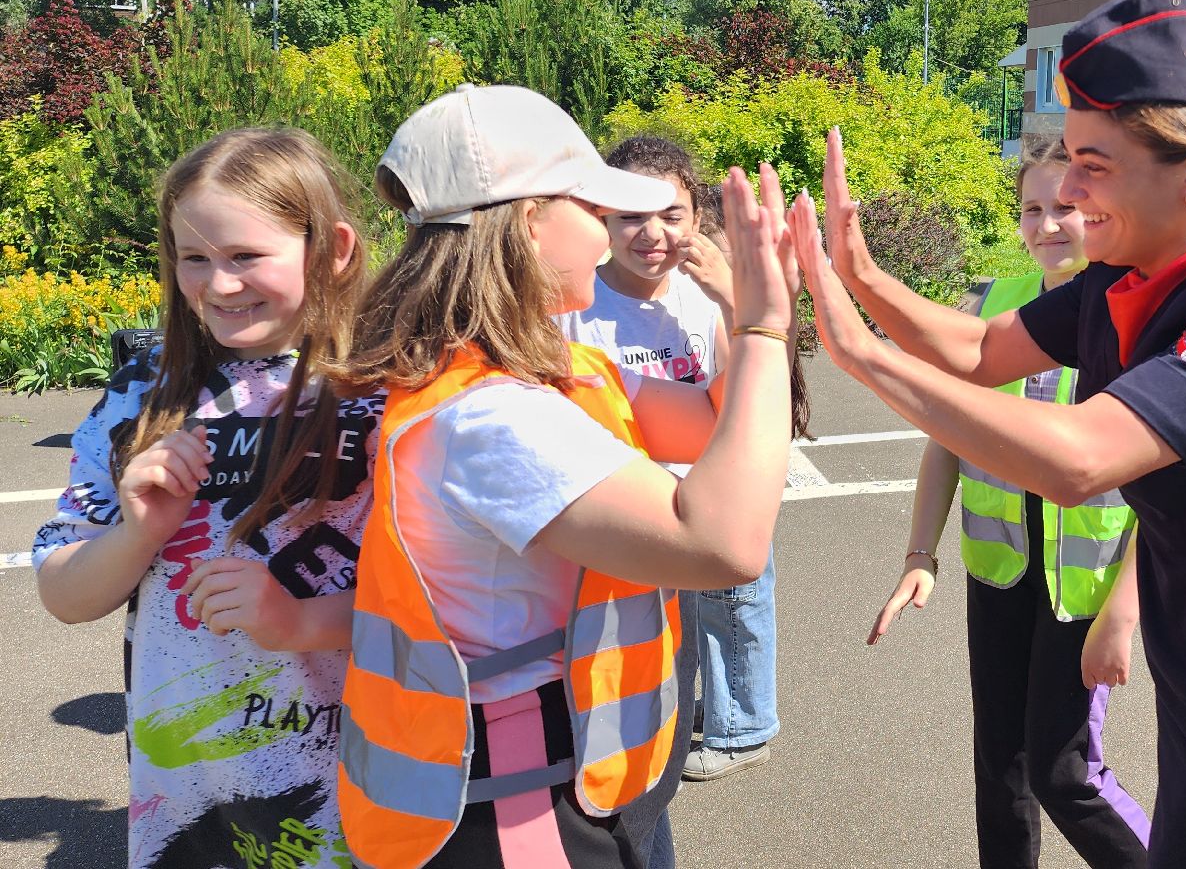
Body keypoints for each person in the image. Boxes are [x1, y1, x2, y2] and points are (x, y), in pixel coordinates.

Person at [790, 0, 1186, 868]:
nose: (1070, 193)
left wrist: (861, 353)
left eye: (1094, 165)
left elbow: (1079, 460)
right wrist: (860, 274)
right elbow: (979, 350)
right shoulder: (1122, 276)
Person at [331, 85, 796, 869]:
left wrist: (738, 314)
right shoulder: (489, 416)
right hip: (522, 802)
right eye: (595, 208)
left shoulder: (545, 367)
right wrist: (764, 325)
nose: (610, 232)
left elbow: (716, 424)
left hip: (584, 767)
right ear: (528, 224)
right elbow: (726, 542)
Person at [33, 128, 380, 868]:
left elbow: (449, 606)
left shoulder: (386, 389)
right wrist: (135, 534)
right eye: (194, 258)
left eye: (246, 256)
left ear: (334, 249)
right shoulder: (142, 391)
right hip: (184, 809)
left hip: (360, 793)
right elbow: (65, 595)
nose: (219, 285)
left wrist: (298, 621)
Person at [869, 139, 1150, 869]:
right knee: (1000, 766)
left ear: (1103, 209)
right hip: (1000, 574)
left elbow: (1170, 494)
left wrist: (1124, 612)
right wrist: (920, 555)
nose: (1048, 224)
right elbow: (947, 438)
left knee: (1067, 773)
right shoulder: (991, 307)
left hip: (1084, 590)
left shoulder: (1136, 316)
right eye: (1032, 208)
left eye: (1067, 206)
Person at [561, 135, 784, 787]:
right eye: (631, 215)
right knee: (647, 616)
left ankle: (743, 726)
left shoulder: (703, 295)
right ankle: (676, 707)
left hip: (713, 487)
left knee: (735, 607)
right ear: (601, 217)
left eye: (671, 214)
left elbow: (745, 390)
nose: (652, 232)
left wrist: (732, 300)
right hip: (628, 495)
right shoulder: (578, 299)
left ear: (697, 219)